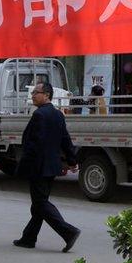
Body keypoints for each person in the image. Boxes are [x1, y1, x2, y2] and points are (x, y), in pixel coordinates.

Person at [13, 81, 81, 252]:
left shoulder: (40, 115)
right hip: (51, 167)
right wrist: (72, 160)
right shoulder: (58, 115)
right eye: (33, 92)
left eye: (36, 92)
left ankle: (69, 232)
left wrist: (22, 167)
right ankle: (28, 238)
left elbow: (33, 145)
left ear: (47, 95)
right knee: (38, 204)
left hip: (38, 167)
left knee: (40, 203)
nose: (33, 95)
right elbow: (65, 139)